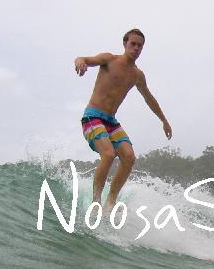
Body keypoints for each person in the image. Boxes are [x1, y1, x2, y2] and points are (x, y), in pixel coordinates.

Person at [74, 28, 172, 210]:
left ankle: (110, 201)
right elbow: (85, 59)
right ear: (125, 44)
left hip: (110, 121)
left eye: (140, 46)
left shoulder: (137, 75)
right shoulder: (109, 59)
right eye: (133, 44)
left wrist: (164, 120)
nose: (136, 48)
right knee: (109, 154)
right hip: (92, 116)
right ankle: (96, 201)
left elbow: (149, 98)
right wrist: (80, 62)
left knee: (129, 157)